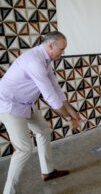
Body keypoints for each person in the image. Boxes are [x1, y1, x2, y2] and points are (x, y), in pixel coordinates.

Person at [0, 31, 83, 194]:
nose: (63, 52)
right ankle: (9, 192)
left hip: (25, 103)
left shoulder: (46, 59)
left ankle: (47, 172)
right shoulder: (34, 62)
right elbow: (50, 97)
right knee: (24, 148)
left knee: (43, 130)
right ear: (51, 45)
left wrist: (73, 113)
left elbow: (56, 89)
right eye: (62, 48)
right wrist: (67, 118)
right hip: (9, 104)